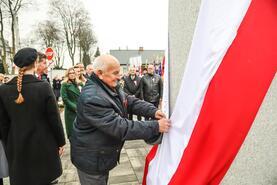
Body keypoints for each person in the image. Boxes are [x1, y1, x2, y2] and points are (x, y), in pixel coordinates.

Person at [70, 54, 171, 185]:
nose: (120, 76)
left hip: (100, 154)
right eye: (115, 73)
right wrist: (156, 126)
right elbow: (120, 127)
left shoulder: (107, 84)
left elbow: (129, 101)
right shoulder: (92, 98)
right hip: (91, 160)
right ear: (100, 73)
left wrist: (153, 111)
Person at [0, 48, 66, 185]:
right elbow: (54, 119)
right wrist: (60, 142)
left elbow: (3, 123)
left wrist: (9, 144)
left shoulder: (3, 89)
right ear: (36, 63)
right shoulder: (43, 87)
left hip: (17, 144)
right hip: (43, 144)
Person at [61, 67, 83, 139]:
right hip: (71, 111)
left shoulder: (79, 83)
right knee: (72, 133)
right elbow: (65, 99)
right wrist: (75, 107)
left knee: (81, 132)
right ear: (67, 74)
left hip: (81, 110)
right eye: (70, 73)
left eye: (73, 73)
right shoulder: (64, 84)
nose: (72, 74)